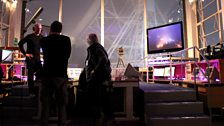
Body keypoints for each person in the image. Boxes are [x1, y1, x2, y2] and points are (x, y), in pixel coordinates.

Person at [40, 21, 71, 126]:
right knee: (61, 104)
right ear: (61, 30)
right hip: (61, 75)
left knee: (46, 103)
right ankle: (62, 123)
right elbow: (67, 55)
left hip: (47, 74)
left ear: (50, 29)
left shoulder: (44, 40)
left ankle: (44, 123)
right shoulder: (66, 40)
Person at [85, 33, 113, 126]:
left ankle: (99, 118)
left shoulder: (96, 48)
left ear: (90, 40)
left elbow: (103, 59)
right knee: (100, 99)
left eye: (87, 38)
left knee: (97, 99)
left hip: (97, 79)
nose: (86, 40)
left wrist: (94, 70)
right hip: (98, 78)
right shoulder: (97, 48)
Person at [18, 23, 43, 95]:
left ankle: (37, 90)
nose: (39, 30)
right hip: (31, 60)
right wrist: (25, 54)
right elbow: (20, 43)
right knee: (30, 76)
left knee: (41, 74)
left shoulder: (41, 37)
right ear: (34, 28)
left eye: (40, 28)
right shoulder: (30, 36)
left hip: (38, 60)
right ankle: (31, 92)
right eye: (38, 28)